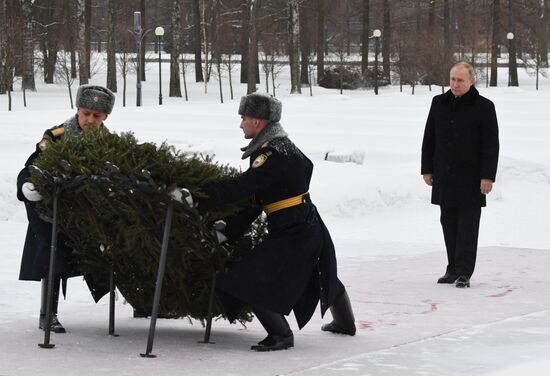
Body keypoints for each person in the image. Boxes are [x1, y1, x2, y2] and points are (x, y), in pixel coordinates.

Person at [173, 92, 356, 351]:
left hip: (295, 230)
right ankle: (345, 323)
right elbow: (255, 202)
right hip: (301, 224)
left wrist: (197, 198)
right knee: (320, 273)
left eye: (244, 118)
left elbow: (243, 188)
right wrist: (228, 232)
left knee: (250, 279)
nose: (240, 124)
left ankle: (281, 335)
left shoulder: (273, 154)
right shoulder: (281, 148)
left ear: (258, 122)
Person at [16, 84, 115, 332]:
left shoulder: (111, 144)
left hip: (92, 214)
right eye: (86, 113)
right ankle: (47, 313)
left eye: (96, 116)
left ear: (105, 117)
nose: (89, 120)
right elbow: (32, 168)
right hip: (55, 213)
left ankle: (143, 302)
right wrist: (27, 186)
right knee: (54, 251)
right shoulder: (57, 137)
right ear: (77, 109)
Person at [421, 62, 499, 288]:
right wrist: (427, 168)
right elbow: (429, 138)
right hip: (444, 176)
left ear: (472, 81)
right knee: (448, 223)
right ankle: (452, 268)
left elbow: (491, 145)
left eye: (460, 80)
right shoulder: (439, 103)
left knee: (468, 226)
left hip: (472, 179)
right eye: (453, 79)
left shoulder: (484, 107)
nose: (455, 84)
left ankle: (464, 271)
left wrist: (487, 176)